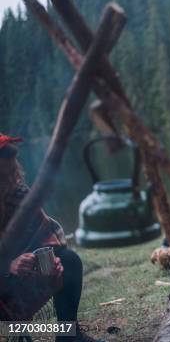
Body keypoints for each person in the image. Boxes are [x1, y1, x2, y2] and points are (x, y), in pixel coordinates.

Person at [0, 134, 102, 342]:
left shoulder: (18, 194)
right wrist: (8, 265)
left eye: (14, 172)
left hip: (15, 280)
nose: (13, 180)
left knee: (69, 260)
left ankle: (68, 337)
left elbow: (49, 233)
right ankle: (15, 333)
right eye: (4, 176)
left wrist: (45, 259)